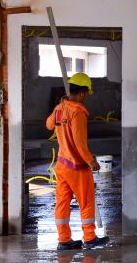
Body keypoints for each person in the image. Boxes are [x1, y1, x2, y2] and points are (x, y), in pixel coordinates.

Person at [46, 72, 109, 250]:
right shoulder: (78, 113)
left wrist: (58, 108)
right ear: (81, 93)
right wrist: (91, 161)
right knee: (86, 201)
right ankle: (89, 238)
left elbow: (48, 125)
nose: (87, 97)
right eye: (87, 94)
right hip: (77, 167)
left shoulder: (60, 108)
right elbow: (80, 144)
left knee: (62, 202)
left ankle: (64, 240)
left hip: (62, 165)